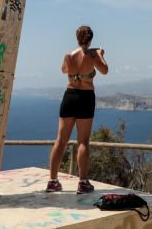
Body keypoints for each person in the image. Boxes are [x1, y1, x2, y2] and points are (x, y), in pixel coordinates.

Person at [46, 25, 108, 193]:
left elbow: (64, 70)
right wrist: (101, 55)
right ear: (90, 39)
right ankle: (83, 182)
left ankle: (52, 181)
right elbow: (105, 70)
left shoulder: (68, 56)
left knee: (60, 140)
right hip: (85, 97)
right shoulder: (93, 55)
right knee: (83, 142)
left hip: (69, 96)